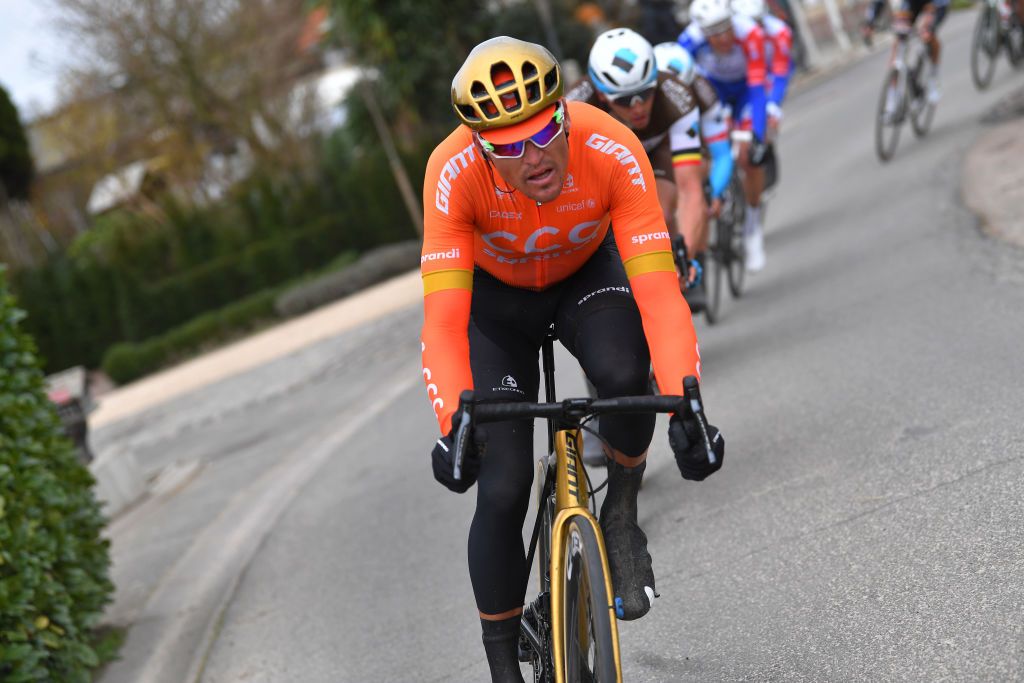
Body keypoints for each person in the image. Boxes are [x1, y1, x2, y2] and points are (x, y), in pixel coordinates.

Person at [421, 36, 725, 682]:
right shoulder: (449, 173)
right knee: (501, 489)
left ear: (565, 112)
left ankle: (620, 514)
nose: (534, 157)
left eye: (545, 131)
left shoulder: (610, 145)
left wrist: (688, 403)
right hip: (496, 307)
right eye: (508, 146)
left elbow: (662, 298)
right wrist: (453, 423)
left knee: (624, 375)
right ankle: (504, 667)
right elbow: (444, 321)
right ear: (479, 149)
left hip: (586, 277)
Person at [566, 28, 733, 315]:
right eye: (624, 100)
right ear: (603, 97)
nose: (638, 106)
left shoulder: (677, 97)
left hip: (659, 150)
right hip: (604, 155)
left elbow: (690, 190)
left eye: (645, 93)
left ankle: (674, 272)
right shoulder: (576, 107)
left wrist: (688, 254)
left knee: (663, 211)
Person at [680, 0, 772, 271]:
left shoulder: (750, 34)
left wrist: (756, 133)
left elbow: (757, 89)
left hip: (745, 92)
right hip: (714, 93)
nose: (723, 38)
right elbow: (679, 82)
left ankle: (753, 228)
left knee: (748, 158)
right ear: (702, 32)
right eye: (714, 33)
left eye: (726, 28)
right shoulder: (690, 40)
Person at [864, 0, 949, 106]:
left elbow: (942, 6)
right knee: (899, 40)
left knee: (929, 36)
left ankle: (934, 77)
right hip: (911, 3)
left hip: (934, 3)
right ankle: (893, 93)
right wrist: (869, 23)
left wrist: (931, 27)